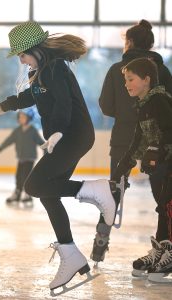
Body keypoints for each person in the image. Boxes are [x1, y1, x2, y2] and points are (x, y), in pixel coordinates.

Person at [0, 21, 121, 292]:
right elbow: (29, 98)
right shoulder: (41, 72)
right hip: (67, 136)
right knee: (46, 193)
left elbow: (64, 103)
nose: (21, 60)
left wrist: (56, 131)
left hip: (73, 134)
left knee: (33, 185)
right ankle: (70, 254)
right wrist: (4, 106)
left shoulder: (55, 68)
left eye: (21, 54)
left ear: (35, 49)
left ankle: (97, 190)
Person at [92, 19, 172, 265]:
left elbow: (105, 106)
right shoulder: (162, 70)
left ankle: (100, 245)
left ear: (129, 42)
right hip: (157, 140)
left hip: (127, 137)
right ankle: (164, 242)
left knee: (114, 191)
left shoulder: (117, 68)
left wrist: (127, 115)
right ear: (151, 44)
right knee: (163, 195)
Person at [113, 57, 172, 282]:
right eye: (125, 80)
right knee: (162, 207)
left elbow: (170, 128)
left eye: (131, 79)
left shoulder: (158, 100)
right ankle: (162, 249)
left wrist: (156, 149)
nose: (126, 84)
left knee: (169, 205)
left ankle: (170, 252)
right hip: (159, 166)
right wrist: (123, 165)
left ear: (146, 80)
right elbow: (139, 139)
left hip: (168, 163)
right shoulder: (144, 103)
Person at [0, 109, 44, 207]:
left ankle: (27, 194)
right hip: (21, 158)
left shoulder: (33, 130)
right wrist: (1, 147)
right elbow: (9, 140)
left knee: (26, 177)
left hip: (30, 158)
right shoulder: (17, 131)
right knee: (18, 176)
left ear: (29, 118)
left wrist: (46, 150)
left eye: (23, 117)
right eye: (20, 117)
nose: (21, 119)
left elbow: (40, 142)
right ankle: (17, 193)